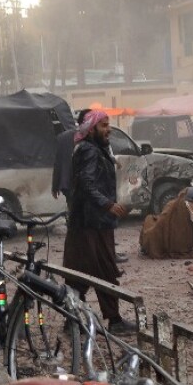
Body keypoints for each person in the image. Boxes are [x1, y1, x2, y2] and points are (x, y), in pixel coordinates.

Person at [63, 110, 137, 334]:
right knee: (95, 271)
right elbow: (86, 183)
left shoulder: (94, 149)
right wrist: (107, 204)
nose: (108, 130)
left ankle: (76, 319)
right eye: (104, 125)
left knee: (85, 271)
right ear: (92, 129)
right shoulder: (89, 150)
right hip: (90, 223)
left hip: (92, 222)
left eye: (108, 125)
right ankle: (106, 321)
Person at [139, 186, 193, 258]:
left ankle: (149, 245)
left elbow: (163, 220)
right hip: (179, 246)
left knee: (150, 219)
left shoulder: (171, 203)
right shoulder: (192, 208)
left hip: (157, 239)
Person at [52, 109, 91, 200]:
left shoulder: (63, 137)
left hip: (69, 185)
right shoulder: (92, 137)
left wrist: (55, 186)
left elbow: (58, 163)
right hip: (84, 187)